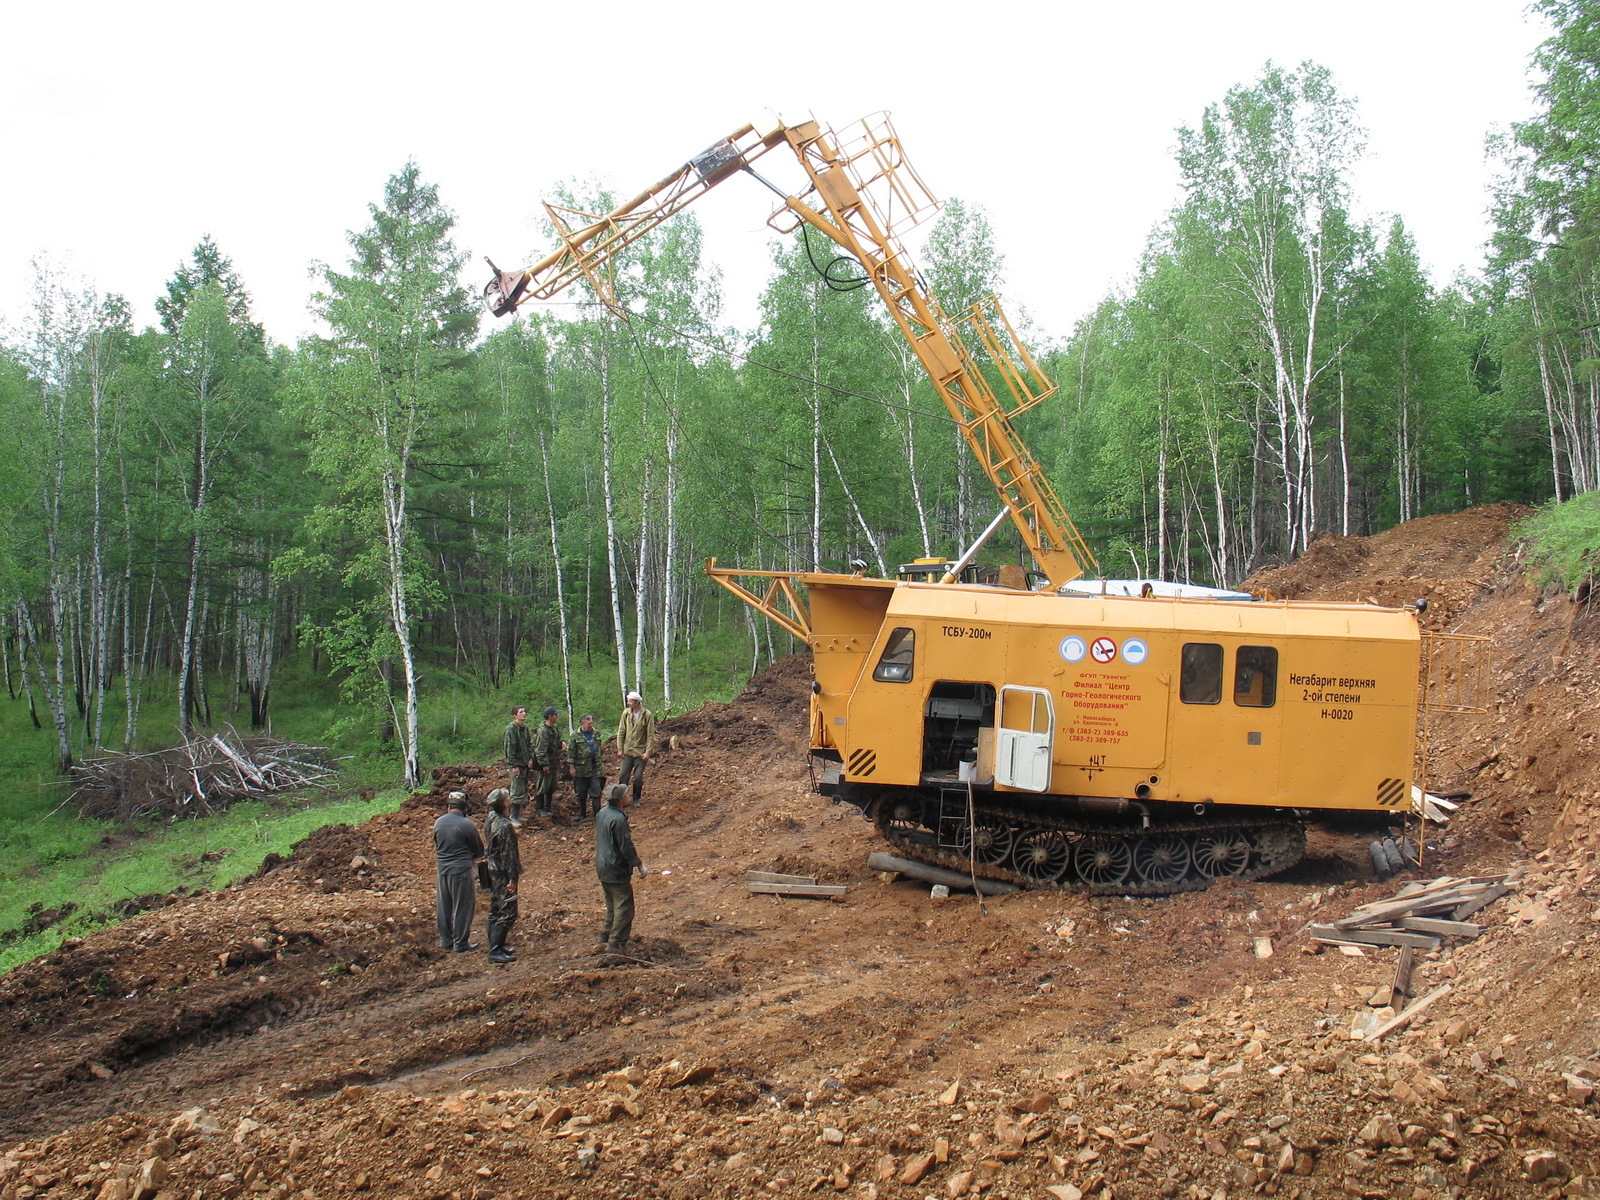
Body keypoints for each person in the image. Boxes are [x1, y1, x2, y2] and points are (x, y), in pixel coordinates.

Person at [595, 782, 647, 955]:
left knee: (611, 902)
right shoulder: (618, 819)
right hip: (615, 867)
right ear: (620, 800)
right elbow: (625, 846)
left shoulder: (602, 813)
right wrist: (638, 863)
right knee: (624, 906)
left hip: (602, 865)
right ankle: (616, 942)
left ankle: (606, 933)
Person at [433, 791, 485, 954]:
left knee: (444, 905)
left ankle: (445, 939)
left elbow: (437, 844)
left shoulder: (438, 823)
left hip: (442, 870)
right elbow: (479, 851)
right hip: (461, 870)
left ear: (449, 806)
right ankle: (461, 943)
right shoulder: (467, 825)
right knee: (463, 906)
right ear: (464, 808)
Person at [483, 788, 522, 965]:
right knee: (507, 910)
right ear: (505, 803)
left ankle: (495, 945)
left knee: (494, 908)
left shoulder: (491, 818)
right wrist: (513, 878)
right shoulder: (505, 826)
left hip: (491, 869)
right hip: (502, 872)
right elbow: (509, 855)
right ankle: (495, 950)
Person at [614, 690, 656, 808]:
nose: (628, 703)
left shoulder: (647, 715)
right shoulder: (626, 713)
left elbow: (650, 735)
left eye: (630, 701)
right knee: (623, 775)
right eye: (628, 701)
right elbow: (621, 731)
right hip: (628, 751)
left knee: (638, 777)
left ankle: (636, 798)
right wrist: (620, 748)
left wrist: (648, 752)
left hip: (640, 752)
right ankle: (622, 798)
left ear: (637, 702)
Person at [568, 713, 604, 820]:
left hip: (594, 768)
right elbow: (570, 753)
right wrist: (572, 767)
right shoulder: (575, 736)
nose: (590, 726)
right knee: (581, 792)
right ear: (582, 724)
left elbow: (599, 749)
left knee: (596, 792)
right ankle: (582, 813)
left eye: (591, 723)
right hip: (581, 769)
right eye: (588, 724)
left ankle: (597, 814)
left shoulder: (596, 734)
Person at [503, 706, 533, 827]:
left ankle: (519, 815)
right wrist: (513, 765)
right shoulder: (511, 729)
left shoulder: (524, 729)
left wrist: (530, 758)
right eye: (521, 712)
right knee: (516, 790)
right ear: (515, 715)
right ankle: (513, 816)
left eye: (524, 711)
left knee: (523, 789)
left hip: (525, 764)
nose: (524, 714)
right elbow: (509, 749)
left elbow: (528, 745)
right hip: (517, 765)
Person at [533, 705, 564, 819]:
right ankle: (540, 808)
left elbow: (556, 742)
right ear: (550, 716)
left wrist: (561, 744)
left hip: (554, 760)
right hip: (546, 761)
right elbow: (540, 749)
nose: (557, 717)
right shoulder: (543, 731)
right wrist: (544, 764)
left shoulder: (554, 729)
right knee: (543, 786)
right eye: (556, 715)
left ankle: (548, 806)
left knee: (552, 785)